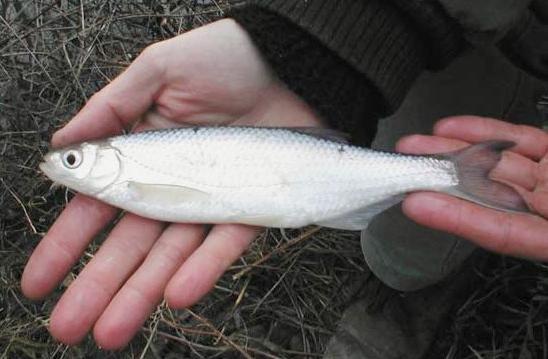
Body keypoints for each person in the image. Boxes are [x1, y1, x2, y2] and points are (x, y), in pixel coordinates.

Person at [20, 0, 548, 357]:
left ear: (110, 158)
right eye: (73, 161)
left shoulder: (130, 173)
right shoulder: (130, 165)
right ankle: (409, 262)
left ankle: (433, 220)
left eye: (73, 162)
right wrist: (309, 45)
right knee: (425, 140)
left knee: (434, 141)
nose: (64, 165)